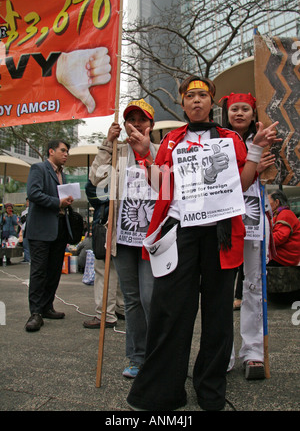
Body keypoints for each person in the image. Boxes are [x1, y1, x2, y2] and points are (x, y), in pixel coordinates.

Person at [126, 76, 280, 411]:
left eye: (203, 95)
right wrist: (144, 156)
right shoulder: (170, 141)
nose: (196, 101)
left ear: (213, 102)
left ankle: (210, 389)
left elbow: (241, 183)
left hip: (221, 233)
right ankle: (162, 391)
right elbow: (162, 189)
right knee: (170, 311)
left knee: (219, 313)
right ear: (182, 103)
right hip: (181, 232)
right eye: (190, 96)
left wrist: (255, 149)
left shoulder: (230, 139)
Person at [89, 99, 159, 378]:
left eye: (142, 120)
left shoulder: (161, 149)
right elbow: (96, 178)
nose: (136, 124)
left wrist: (148, 157)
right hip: (123, 239)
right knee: (130, 300)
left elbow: (167, 184)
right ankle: (135, 356)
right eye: (131, 119)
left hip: (152, 238)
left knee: (149, 297)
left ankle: (157, 355)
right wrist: (108, 142)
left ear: (151, 125)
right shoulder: (117, 152)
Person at [221, 92, 276, 379]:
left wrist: (264, 167)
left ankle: (253, 352)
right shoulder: (217, 139)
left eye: (245, 109)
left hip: (254, 218)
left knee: (254, 285)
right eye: (234, 109)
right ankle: (224, 353)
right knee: (222, 288)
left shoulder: (267, 139)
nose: (239, 113)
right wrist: (251, 167)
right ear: (226, 113)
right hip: (225, 221)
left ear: (253, 114)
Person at [24, 140, 74, 332]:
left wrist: (67, 201)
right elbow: (33, 193)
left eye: (67, 151)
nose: (66, 154)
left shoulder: (63, 175)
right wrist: (58, 202)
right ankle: (35, 313)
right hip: (41, 230)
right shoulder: (39, 168)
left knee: (54, 271)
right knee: (39, 271)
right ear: (51, 151)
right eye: (63, 150)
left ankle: (47, 306)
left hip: (60, 228)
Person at [83, 179, 124, 329]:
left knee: (105, 269)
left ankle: (105, 314)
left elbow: (91, 190)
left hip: (108, 222)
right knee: (119, 268)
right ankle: (120, 307)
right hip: (126, 223)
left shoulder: (104, 163)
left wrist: (112, 196)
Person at [268, 189, 300, 267]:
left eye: (268, 202)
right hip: (281, 256)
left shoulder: (285, 214)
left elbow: (280, 237)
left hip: (283, 258)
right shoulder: (279, 214)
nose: (266, 205)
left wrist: (263, 240)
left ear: (276, 202)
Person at [20, 198, 31, 263]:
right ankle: (26, 258)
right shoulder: (24, 212)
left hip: (31, 229)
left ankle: (28, 259)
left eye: (28, 201)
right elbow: (21, 221)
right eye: (27, 201)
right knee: (25, 244)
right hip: (24, 229)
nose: (27, 203)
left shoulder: (33, 211)